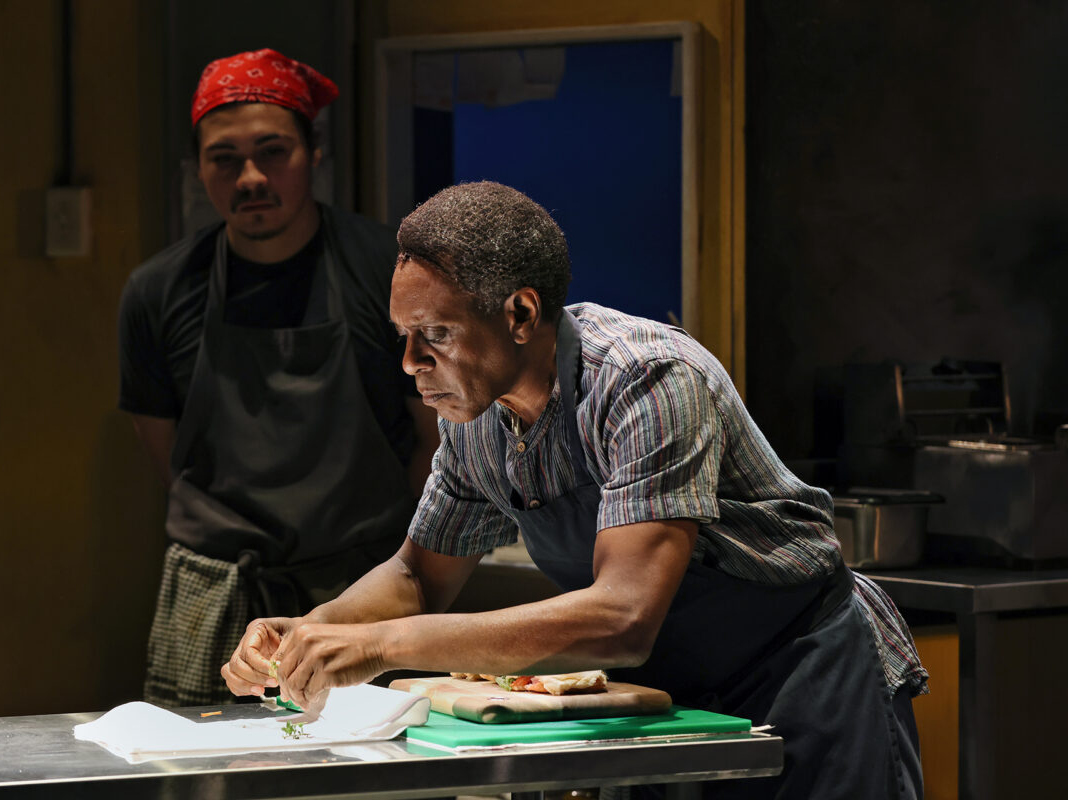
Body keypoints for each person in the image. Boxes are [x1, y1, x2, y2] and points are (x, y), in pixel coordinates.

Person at [222, 181, 927, 798]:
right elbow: (416, 573)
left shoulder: (645, 380)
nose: (410, 363)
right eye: (403, 336)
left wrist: (383, 646)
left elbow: (623, 617)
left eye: (434, 333)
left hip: (804, 672)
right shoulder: (477, 415)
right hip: (674, 694)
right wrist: (315, 632)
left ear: (521, 315)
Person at [118, 48, 438, 707]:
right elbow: (167, 456)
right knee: (202, 776)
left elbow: (435, 440)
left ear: (313, 151)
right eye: (225, 158)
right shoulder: (158, 292)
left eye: (273, 151)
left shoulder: (386, 272)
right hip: (214, 598)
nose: (251, 177)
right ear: (199, 167)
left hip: (361, 593)